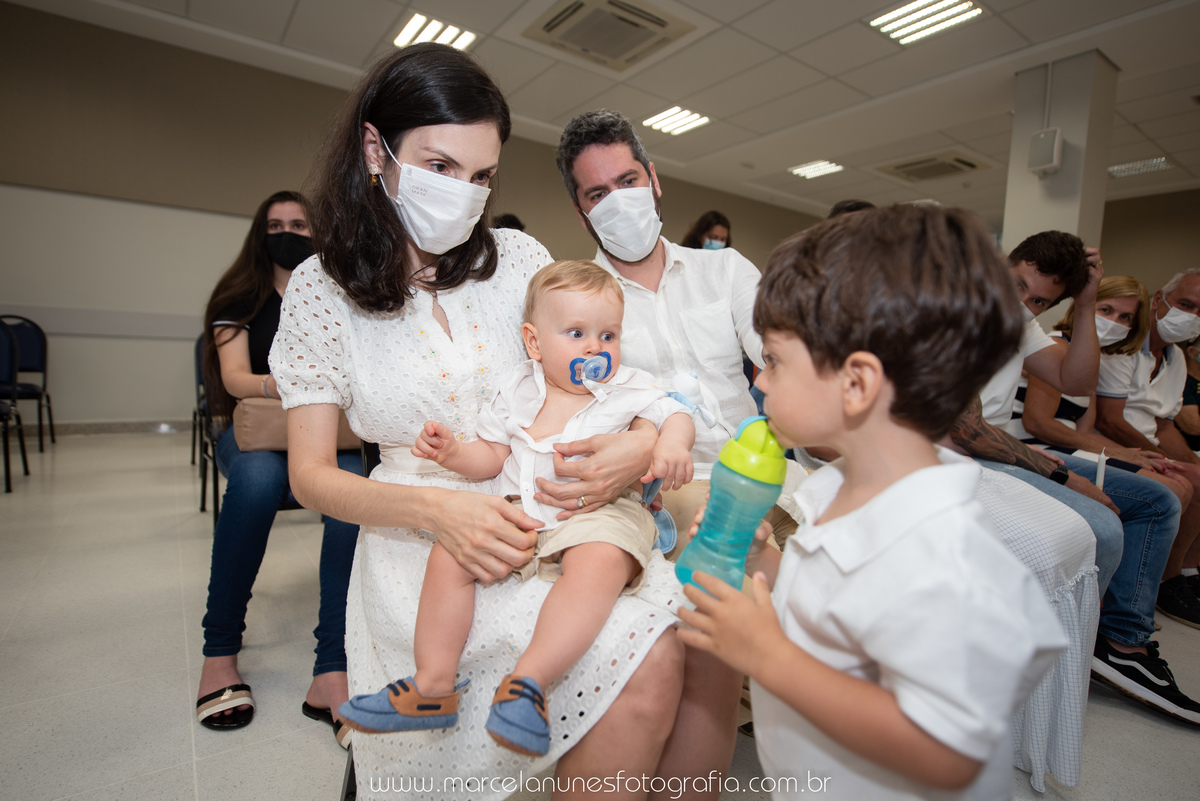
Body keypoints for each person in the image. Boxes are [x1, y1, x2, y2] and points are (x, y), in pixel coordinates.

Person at [271, 45, 697, 798]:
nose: (463, 194)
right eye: (439, 166)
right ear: (377, 150)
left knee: (657, 645)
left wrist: (636, 446)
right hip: (419, 535)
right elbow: (309, 476)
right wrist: (440, 509)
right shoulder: (319, 289)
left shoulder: (520, 258)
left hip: (545, 506)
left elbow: (597, 371)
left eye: (481, 176)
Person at [678, 204, 1065, 800]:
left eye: (774, 360)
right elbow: (834, 611)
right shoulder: (840, 488)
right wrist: (765, 564)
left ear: (856, 384)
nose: (759, 381)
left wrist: (765, 654)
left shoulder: (946, 563)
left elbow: (947, 753)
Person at [338, 261, 695, 755]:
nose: (596, 347)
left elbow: (674, 411)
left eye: (608, 335)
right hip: (519, 509)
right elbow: (490, 456)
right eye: (577, 333)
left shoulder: (625, 387)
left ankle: (528, 684)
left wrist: (672, 444)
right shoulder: (517, 388)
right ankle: (432, 685)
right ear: (534, 342)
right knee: (450, 555)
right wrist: (451, 452)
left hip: (595, 514)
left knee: (600, 560)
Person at [555, 108, 805, 789]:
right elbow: (578, 413)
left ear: (655, 179)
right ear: (582, 213)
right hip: (668, 478)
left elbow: (783, 361)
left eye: (627, 179)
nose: (618, 200)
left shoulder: (724, 274)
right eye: (597, 193)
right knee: (734, 579)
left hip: (765, 461)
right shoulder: (580, 299)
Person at [196, 191, 361, 747]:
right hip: (257, 437)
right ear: (258, 232)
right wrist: (301, 382)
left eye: (299, 224)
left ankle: (332, 670)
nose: (287, 232)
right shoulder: (239, 295)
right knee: (259, 479)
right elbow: (237, 377)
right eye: (275, 224)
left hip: (324, 434)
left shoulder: (338, 292)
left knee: (354, 490)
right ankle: (219, 654)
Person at [1012, 275, 1200, 723]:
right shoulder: (1050, 347)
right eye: (1105, 310)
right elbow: (1040, 424)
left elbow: (1085, 430)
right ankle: (1120, 633)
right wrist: (1123, 456)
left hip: (1063, 448)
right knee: (1159, 497)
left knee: (1165, 489)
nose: (1113, 322)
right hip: (1030, 446)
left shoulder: (1090, 359)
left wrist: (1128, 457)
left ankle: (1126, 625)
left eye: (1123, 317)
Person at [1095, 268, 1200, 626]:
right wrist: (1169, 462)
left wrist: (1187, 461)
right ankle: (1162, 584)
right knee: (1181, 485)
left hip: (1148, 443)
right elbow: (1109, 421)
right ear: (1158, 301)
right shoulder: (1121, 345)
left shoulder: (1177, 359)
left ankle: (1184, 574)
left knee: (1198, 478)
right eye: (1186, 304)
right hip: (1113, 441)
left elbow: (1165, 426)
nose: (1192, 317)